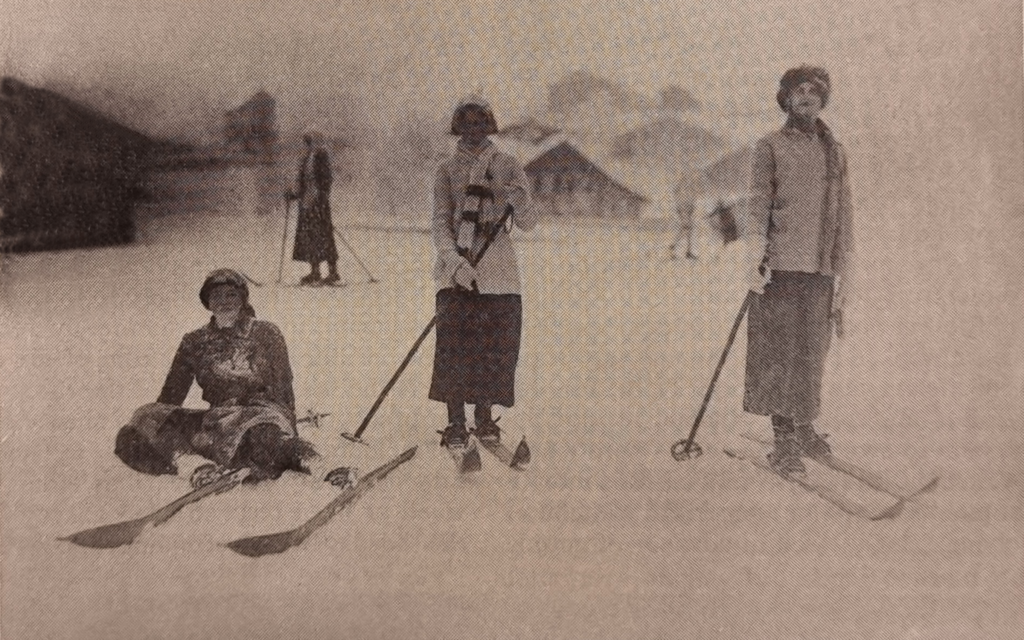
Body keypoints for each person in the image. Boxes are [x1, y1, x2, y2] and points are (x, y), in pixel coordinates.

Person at [743, 66, 854, 474]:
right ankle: (784, 437)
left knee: (812, 353)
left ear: (824, 99)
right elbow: (757, 204)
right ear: (786, 99)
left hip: (821, 268)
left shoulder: (836, 151)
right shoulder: (770, 146)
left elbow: (845, 215)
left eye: (814, 91)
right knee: (779, 353)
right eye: (798, 90)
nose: (806, 96)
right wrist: (756, 254)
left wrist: (846, 272)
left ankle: (804, 425)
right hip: (781, 267)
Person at [114, 269, 319, 486]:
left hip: (261, 419)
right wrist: (161, 429)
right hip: (218, 426)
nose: (224, 301)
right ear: (207, 303)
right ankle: (193, 465)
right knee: (137, 426)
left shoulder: (266, 333)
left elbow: (283, 387)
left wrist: (288, 432)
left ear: (242, 299)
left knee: (267, 437)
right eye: (216, 296)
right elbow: (171, 396)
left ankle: (317, 466)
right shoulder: (194, 341)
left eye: (231, 294)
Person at [429, 96, 535, 451]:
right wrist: (453, 261)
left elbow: (528, 222)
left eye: (480, 122)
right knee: (455, 343)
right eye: (466, 122)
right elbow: (441, 220)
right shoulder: (446, 169)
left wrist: (519, 200)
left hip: (497, 266)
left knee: (494, 344)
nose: (473, 129)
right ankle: (455, 421)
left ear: (490, 125)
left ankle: (485, 417)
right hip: (458, 262)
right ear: (457, 125)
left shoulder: (506, 164)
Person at [286, 132, 341, 286]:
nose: (307, 144)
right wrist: (292, 195)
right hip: (306, 204)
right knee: (309, 237)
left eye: (309, 141)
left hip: (319, 204)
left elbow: (327, 179)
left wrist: (322, 197)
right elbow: (302, 183)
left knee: (325, 237)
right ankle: (315, 272)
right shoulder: (305, 158)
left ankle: (333, 272)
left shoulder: (321, 156)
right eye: (306, 141)